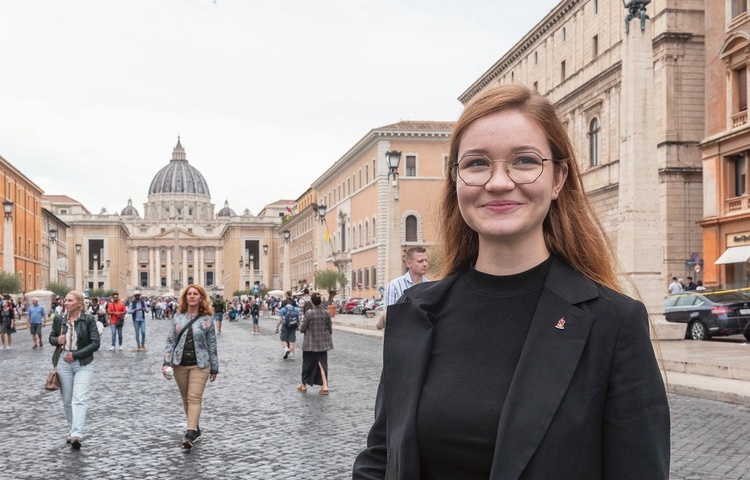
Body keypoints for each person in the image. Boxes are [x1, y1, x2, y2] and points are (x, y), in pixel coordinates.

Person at [352, 84, 670, 479]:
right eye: (477, 164)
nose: (498, 182)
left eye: (523, 161)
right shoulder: (413, 312)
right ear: (456, 180)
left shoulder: (613, 324)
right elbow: (381, 458)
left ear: (558, 179)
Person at [162, 284, 218, 449]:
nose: (192, 296)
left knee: (194, 398)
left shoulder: (207, 319)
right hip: (179, 363)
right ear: (185, 297)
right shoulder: (178, 317)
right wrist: (166, 362)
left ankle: (190, 432)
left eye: (195, 294)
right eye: (189, 294)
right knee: (186, 398)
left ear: (201, 297)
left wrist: (214, 368)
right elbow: (170, 341)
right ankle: (196, 429)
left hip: (200, 364)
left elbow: (212, 345)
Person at [49, 290, 100, 450]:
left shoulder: (89, 319)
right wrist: (57, 340)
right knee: (67, 401)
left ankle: (77, 434)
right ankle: (72, 430)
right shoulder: (59, 319)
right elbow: (51, 337)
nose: (66, 303)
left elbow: (95, 343)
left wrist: (76, 355)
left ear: (79, 303)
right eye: (65, 300)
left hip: (83, 362)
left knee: (79, 398)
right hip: (63, 362)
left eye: (70, 300)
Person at [377, 246, 430, 330]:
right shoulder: (394, 286)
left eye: (426, 260)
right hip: (402, 336)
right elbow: (391, 316)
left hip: (424, 336)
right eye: (420, 261)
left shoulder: (430, 286)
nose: (425, 264)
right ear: (409, 263)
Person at [297, 292, 333, 395]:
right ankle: (325, 386)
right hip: (322, 344)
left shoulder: (309, 313)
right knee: (323, 365)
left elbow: (302, 328)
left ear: (312, 302)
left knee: (307, 364)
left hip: (310, 344)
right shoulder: (326, 312)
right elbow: (330, 328)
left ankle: (303, 385)